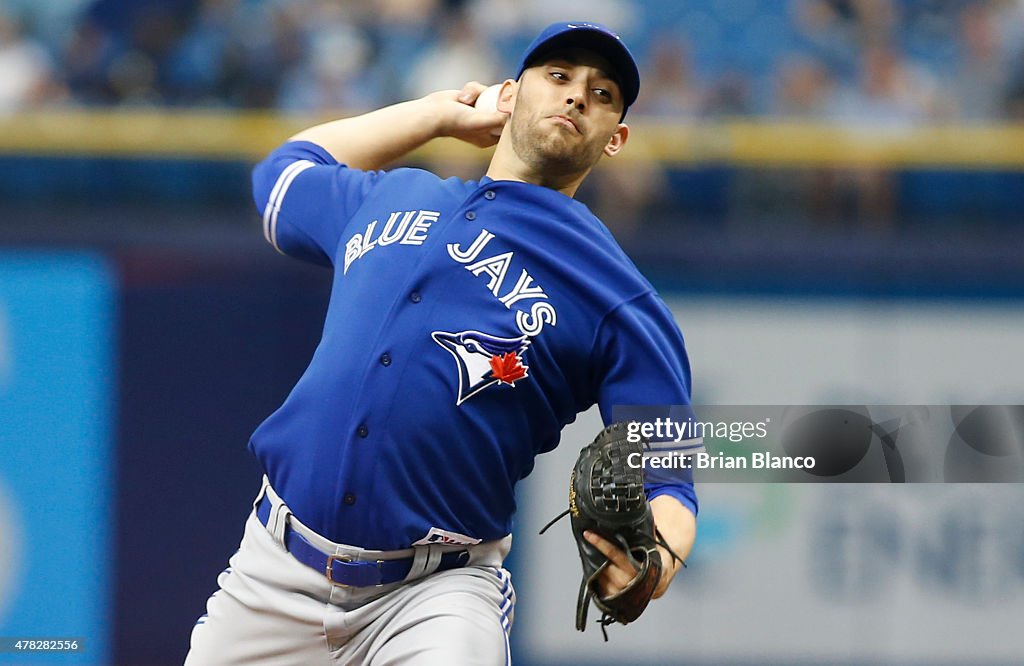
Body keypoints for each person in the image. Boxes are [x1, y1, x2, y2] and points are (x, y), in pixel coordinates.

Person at [186, 21, 701, 665]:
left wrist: (653, 562)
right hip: (273, 574)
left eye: (602, 95)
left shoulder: (618, 297)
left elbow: (670, 483)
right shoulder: (391, 194)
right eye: (560, 77)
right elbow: (282, 174)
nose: (576, 97)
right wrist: (435, 115)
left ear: (616, 138)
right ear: (509, 96)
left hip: (435, 596)